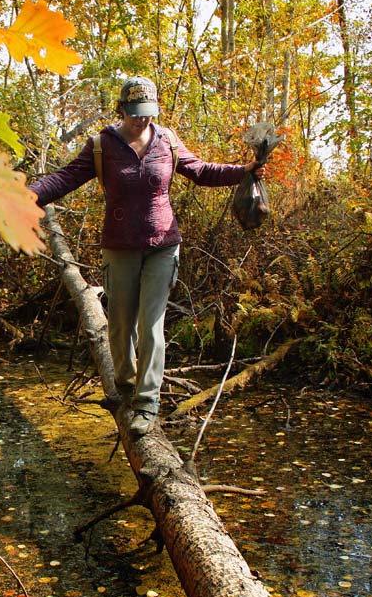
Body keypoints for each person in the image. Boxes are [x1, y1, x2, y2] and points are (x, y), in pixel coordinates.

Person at [29, 76, 266, 437]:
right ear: (121, 109)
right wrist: (23, 195)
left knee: (151, 325)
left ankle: (146, 401)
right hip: (119, 246)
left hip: (163, 246)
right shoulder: (101, 146)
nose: (142, 120)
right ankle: (124, 382)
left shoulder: (167, 140)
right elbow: (63, 179)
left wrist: (243, 171)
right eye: (135, 113)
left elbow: (201, 170)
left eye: (148, 113)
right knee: (121, 323)